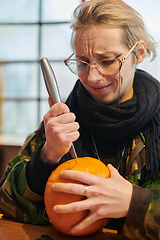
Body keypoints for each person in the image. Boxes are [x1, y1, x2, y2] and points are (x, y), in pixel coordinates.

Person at [0, 0, 160, 239]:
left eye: (107, 61)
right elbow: (7, 205)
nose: (93, 78)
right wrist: (47, 155)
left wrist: (133, 203)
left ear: (139, 53)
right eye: (82, 63)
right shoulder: (63, 119)